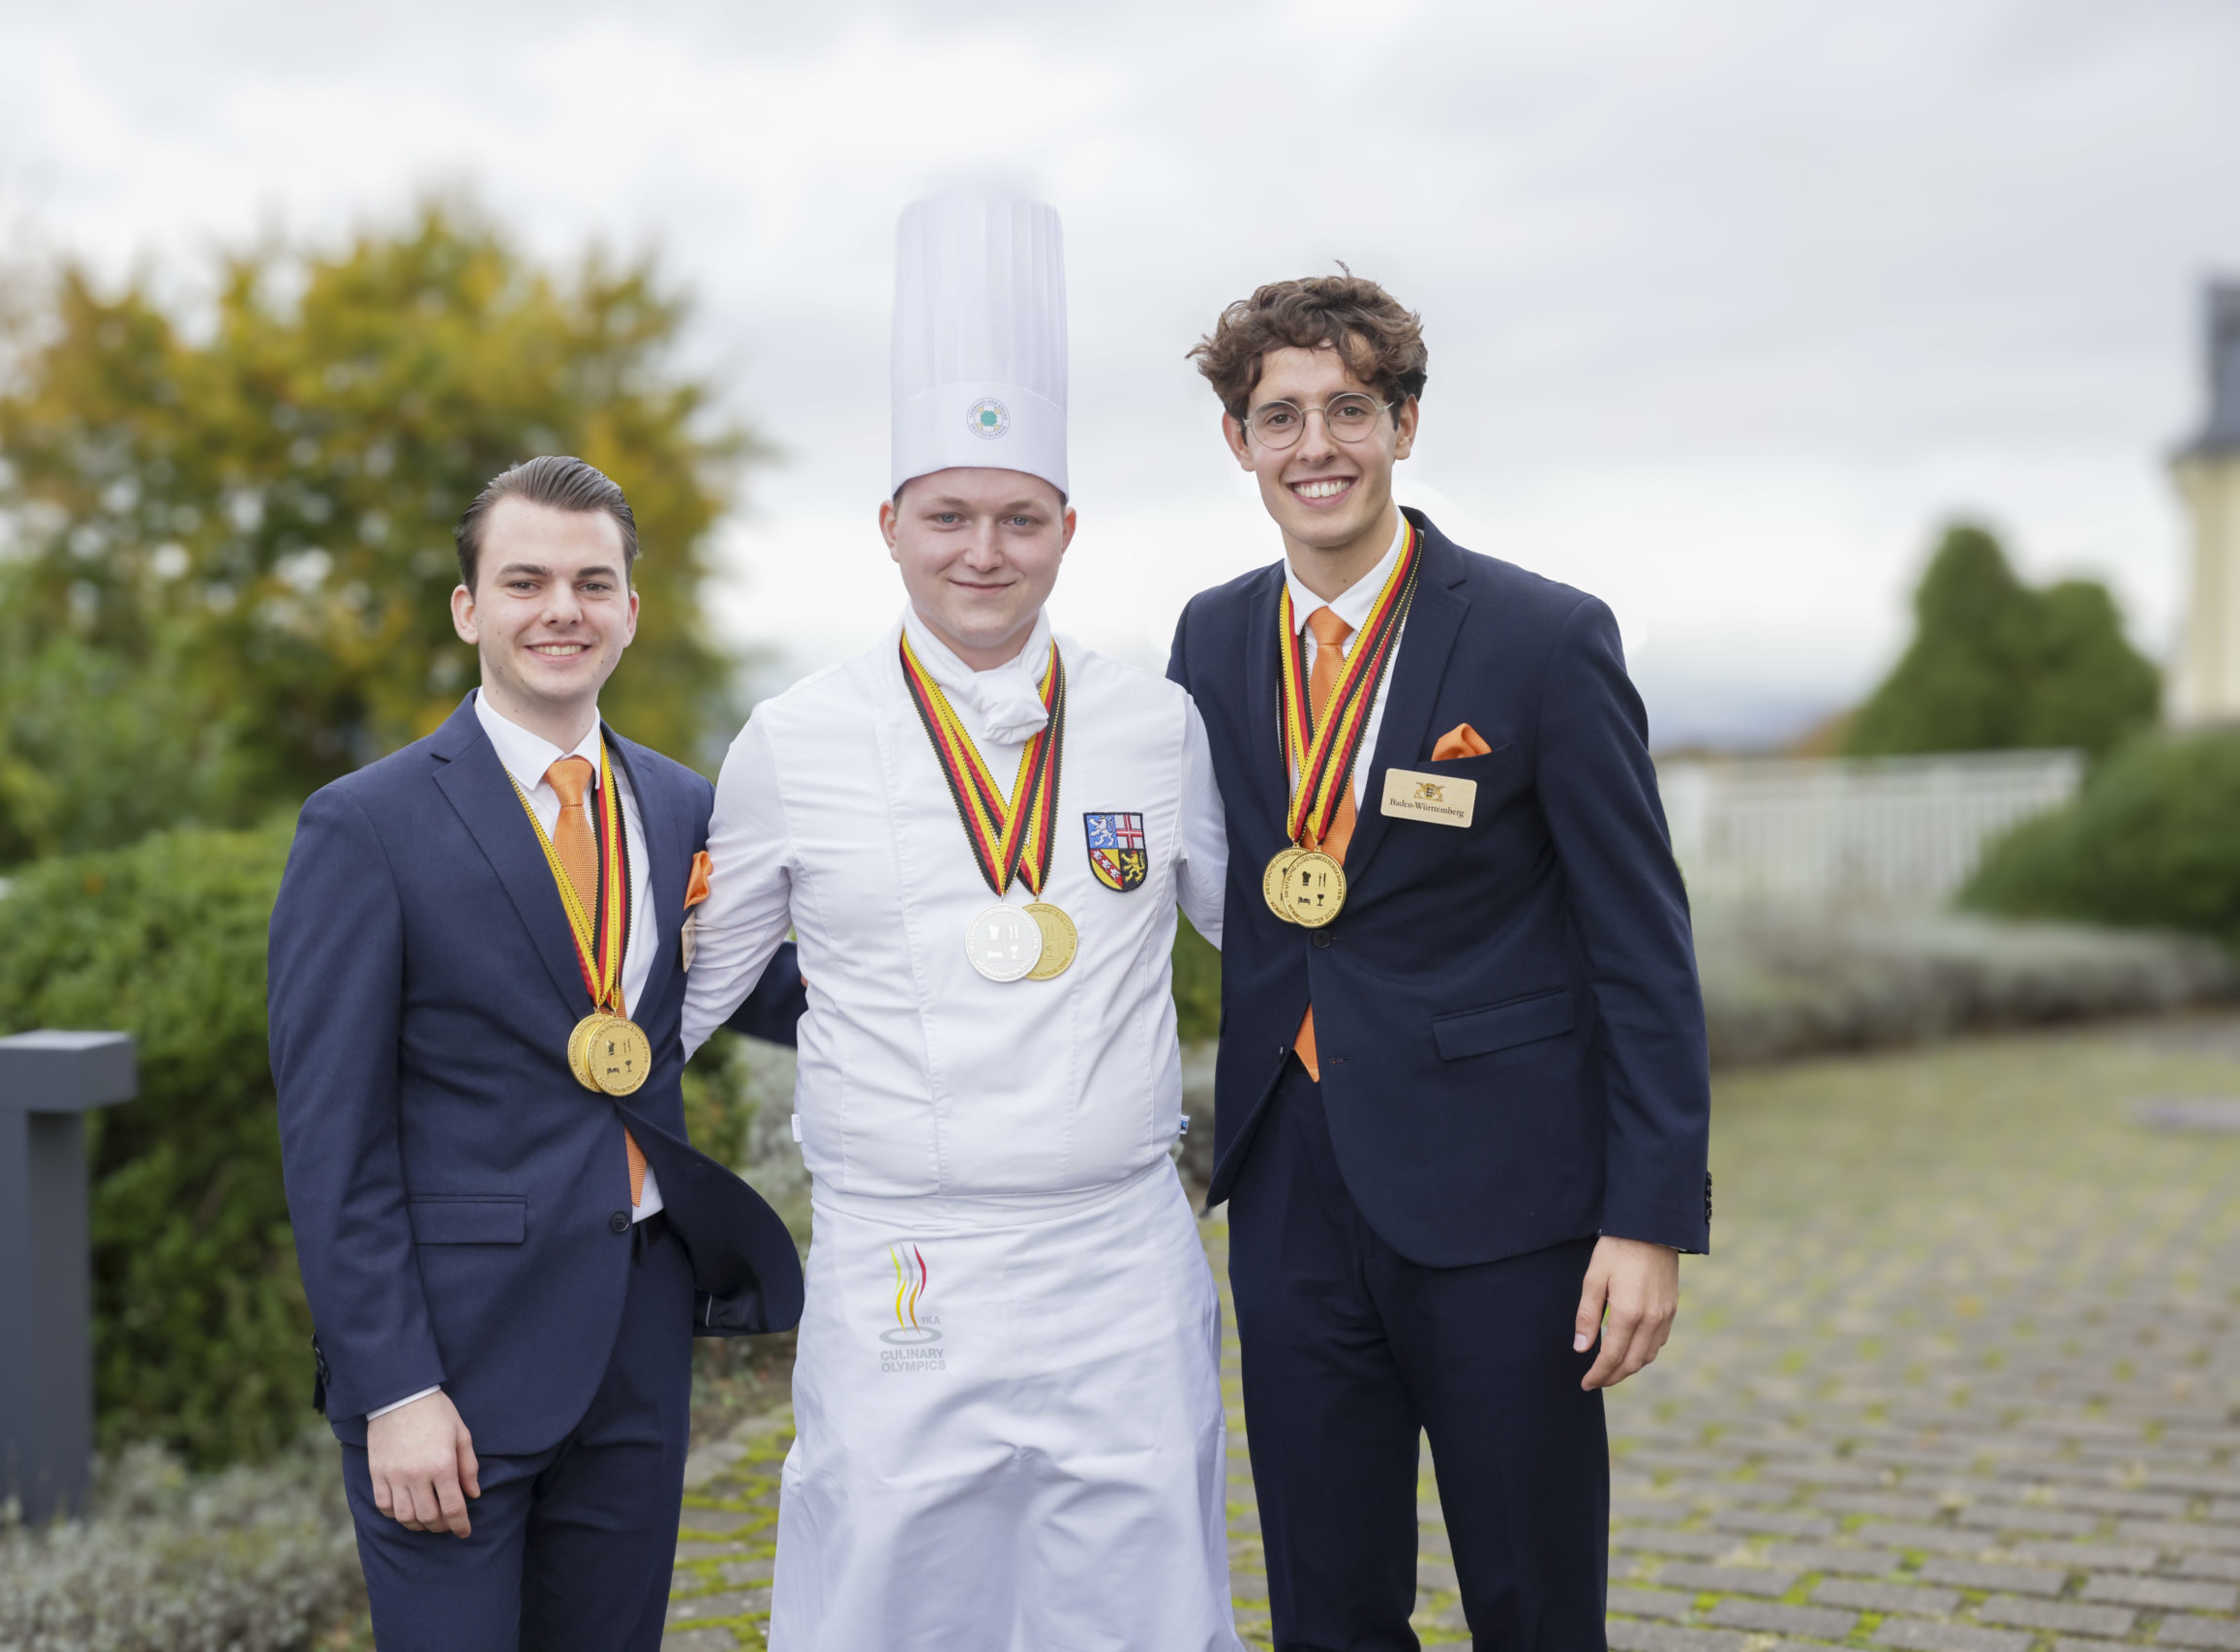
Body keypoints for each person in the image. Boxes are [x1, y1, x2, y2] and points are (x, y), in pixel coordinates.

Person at [679, 194, 1243, 1652]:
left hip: (1116, 1246)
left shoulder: (1155, 724)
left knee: (1140, 1602)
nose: (981, 551)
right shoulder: (792, 739)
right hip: (902, 1258)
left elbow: (1284, 936)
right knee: (889, 1597)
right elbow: (672, 995)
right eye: (948, 515)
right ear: (889, 524)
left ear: (1067, 525)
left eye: (1018, 516)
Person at [1169, 274, 1712, 1651]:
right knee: (1328, 1603)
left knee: (1532, 1601)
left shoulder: (1542, 636)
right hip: (1292, 1180)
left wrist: (1647, 1215)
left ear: (1406, 422)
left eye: (1350, 407)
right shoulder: (1212, 637)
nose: (1317, 446)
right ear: (1239, 440)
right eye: (1279, 415)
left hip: (1504, 1195)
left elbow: (1641, 948)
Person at [268, 456, 808, 1652]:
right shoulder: (365, 825)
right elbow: (330, 1138)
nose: (561, 609)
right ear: (469, 610)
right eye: (525, 581)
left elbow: (781, 994)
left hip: (637, 1328)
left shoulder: (682, 807)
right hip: (451, 1361)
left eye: (591, 582)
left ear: (629, 610)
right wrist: (392, 1391)